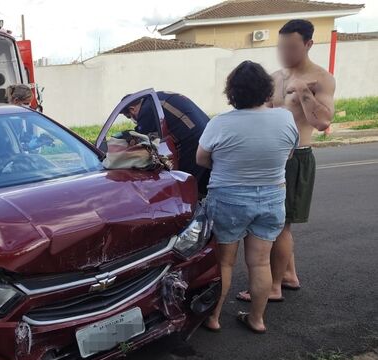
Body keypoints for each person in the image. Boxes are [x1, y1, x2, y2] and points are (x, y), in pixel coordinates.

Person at [236, 19, 335, 303]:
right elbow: (261, 113)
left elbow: (322, 121)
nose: (285, 52)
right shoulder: (275, 77)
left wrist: (303, 91)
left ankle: (274, 286)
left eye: (292, 46)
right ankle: (289, 275)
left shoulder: (321, 78)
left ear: (307, 44)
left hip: (296, 157)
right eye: (281, 46)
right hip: (272, 157)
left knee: (279, 226)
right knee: (278, 223)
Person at [196, 61, 299, 334]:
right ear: (266, 90)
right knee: (260, 262)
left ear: (232, 92)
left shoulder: (220, 123)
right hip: (271, 197)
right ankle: (257, 319)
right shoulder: (285, 118)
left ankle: (214, 317)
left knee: (225, 262)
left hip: (228, 198)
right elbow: (288, 154)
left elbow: (201, 159)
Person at [121, 92, 212, 197]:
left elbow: (142, 140)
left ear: (132, 109)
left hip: (193, 140)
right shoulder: (156, 98)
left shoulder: (147, 109)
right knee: (204, 176)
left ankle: (189, 207)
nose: (134, 120)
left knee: (184, 180)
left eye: (130, 117)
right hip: (208, 133)